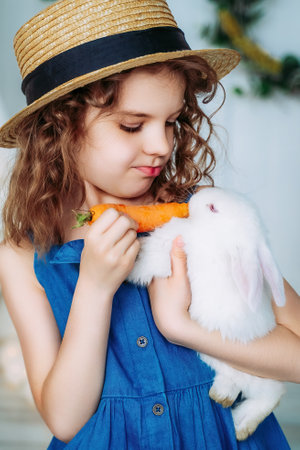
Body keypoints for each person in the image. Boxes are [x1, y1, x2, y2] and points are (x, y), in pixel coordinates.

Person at [0, 0, 299, 448]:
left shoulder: (208, 216)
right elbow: (63, 418)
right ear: (56, 130)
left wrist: (184, 327)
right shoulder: (23, 256)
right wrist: (95, 289)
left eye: (173, 122)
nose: (161, 145)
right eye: (132, 125)